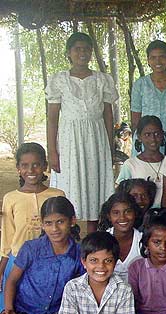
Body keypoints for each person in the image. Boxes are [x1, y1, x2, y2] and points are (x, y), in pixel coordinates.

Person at [46, 32, 117, 233]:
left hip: (96, 140)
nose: (82, 52)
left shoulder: (103, 79)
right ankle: (70, 239)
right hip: (69, 142)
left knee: (95, 188)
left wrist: (110, 148)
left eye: (86, 48)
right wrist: (52, 151)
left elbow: (108, 117)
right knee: (71, 189)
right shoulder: (59, 80)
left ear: (92, 52)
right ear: (69, 53)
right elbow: (52, 119)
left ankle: (93, 240)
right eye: (77, 48)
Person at [0, 197, 83, 314]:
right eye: (49, 223)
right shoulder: (31, 248)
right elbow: (12, 281)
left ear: (72, 221)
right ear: (42, 224)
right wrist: (9, 309)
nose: (55, 229)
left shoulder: (80, 253)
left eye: (60, 222)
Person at [0, 143, 65, 311]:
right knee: (12, 307)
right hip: (17, 261)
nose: (31, 170)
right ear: (18, 168)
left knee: (43, 307)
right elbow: (7, 240)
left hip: (50, 260)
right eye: (25, 165)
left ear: (45, 166)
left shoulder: (57, 195)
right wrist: (2, 269)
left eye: (36, 165)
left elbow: (64, 230)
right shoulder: (11, 198)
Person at [116, 115, 166, 208]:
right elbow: (121, 195)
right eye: (147, 134)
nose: (153, 139)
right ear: (139, 137)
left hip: (164, 217)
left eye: (156, 134)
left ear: (162, 135)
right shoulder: (131, 164)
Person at [97, 192, 142, 282]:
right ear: (109, 216)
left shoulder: (143, 241)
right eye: (116, 213)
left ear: (135, 214)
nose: (122, 218)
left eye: (128, 212)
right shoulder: (101, 240)